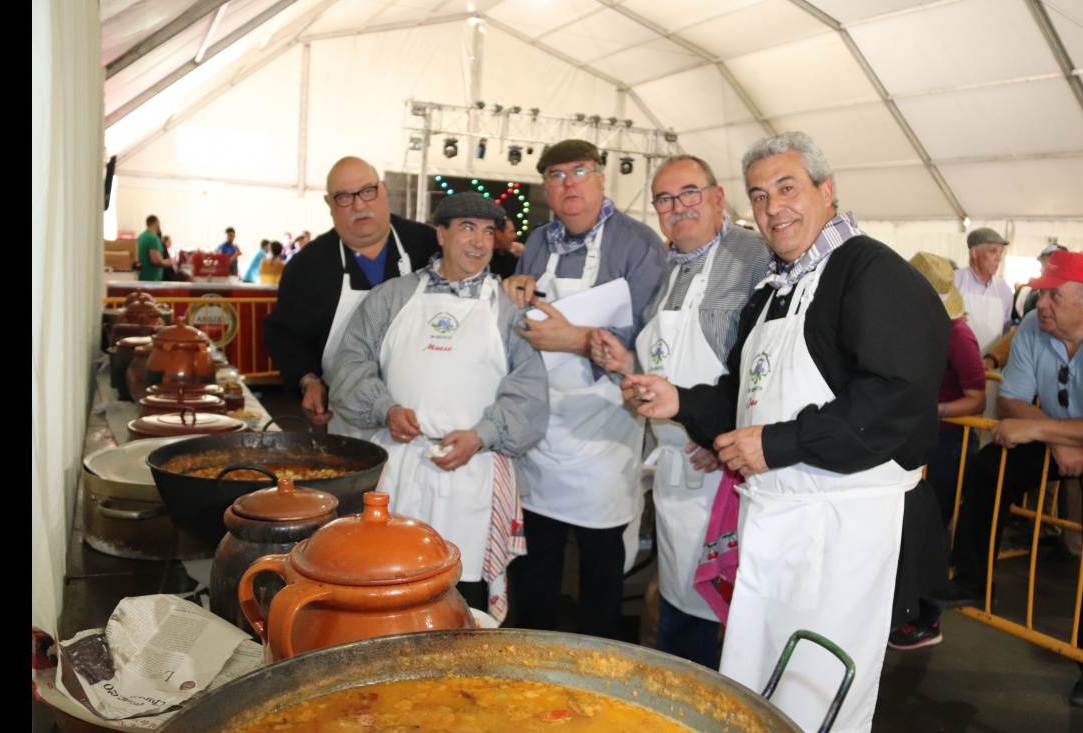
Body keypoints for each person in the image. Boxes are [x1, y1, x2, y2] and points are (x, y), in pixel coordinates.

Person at [623, 131, 949, 733]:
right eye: (760, 195)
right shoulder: (776, 290)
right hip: (776, 524)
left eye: (787, 188)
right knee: (760, 682)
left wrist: (776, 445)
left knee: (820, 691)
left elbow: (895, 398)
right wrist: (680, 401)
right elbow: (746, 396)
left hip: (842, 533)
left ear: (827, 191)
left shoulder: (872, 273)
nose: (773, 208)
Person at [325, 192, 549, 620]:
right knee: (390, 583)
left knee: (463, 601)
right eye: (468, 228)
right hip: (398, 471)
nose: (479, 243)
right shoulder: (392, 298)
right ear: (442, 234)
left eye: (488, 232)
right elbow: (350, 364)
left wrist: (482, 435)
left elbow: (530, 394)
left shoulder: (509, 311)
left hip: (474, 473)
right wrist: (385, 408)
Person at [928, 249, 1083, 708]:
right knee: (988, 470)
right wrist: (1056, 439)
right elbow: (1012, 401)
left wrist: (1043, 429)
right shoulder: (1032, 332)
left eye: (1054, 296)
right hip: (1061, 436)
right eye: (1040, 294)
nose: (1041, 304)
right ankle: (972, 578)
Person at [587, 154, 768, 668]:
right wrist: (629, 366)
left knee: (731, 619)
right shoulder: (667, 268)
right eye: (664, 199)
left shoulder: (755, 258)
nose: (677, 207)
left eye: (689, 193)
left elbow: (766, 365)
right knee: (680, 609)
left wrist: (722, 434)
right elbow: (663, 357)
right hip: (675, 471)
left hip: (729, 472)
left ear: (717, 197)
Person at [500, 139, 667, 641]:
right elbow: (520, 326)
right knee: (534, 571)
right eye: (556, 175)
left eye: (579, 171)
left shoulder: (638, 244)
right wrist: (514, 294)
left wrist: (575, 339)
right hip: (539, 433)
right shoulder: (536, 244)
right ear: (546, 189)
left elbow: (650, 338)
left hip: (604, 430)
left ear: (600, 178)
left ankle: (598, 677)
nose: (569, 183)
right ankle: (527, 671)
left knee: (600, 575)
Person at [263, 156, 440, 433]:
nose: (359, 205)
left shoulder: (428, 246)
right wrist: (308, 380)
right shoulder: (307, 266)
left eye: (367, 191)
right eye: (344, 196)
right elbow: (286, 335)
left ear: (382, 189)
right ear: (329, 204)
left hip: (423, 413)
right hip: (349, 416)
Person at [887, 251, 989, 651]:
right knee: (912, 529)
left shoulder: (958, 335)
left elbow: (977, 398)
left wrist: (932, 410)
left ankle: (927, 619)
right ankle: (908, 614)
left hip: (948, 443)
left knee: (931, 531)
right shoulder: (916, 327)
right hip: (919, 440)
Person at [955, 226, 1014, 354]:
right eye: (993, 251)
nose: (999, 258)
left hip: (991, 368)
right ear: (975, 252)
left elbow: (1006, 333)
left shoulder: (1004, 290)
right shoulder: (954, 282)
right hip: (957, 363)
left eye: (1000, 252)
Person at [1012, 242, 1067, 324]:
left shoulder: (1072, 297)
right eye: (1042, 265)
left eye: (1050, 265)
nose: (1042, 270)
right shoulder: (1031, 294)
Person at [136, 214, 173, 281]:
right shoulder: (153, 239)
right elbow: (155, 260)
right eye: (158, 223)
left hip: (141, 277)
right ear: (155, 223)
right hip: (152, 279)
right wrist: (168, 262)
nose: (159, 225)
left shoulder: (140, 237)